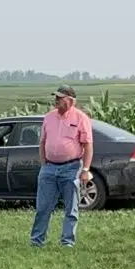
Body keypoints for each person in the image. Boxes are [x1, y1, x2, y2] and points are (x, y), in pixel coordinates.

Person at [31, 85, 94, 248]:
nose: (56, 100)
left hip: (71, 167)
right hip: (49, 168)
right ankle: (37, 240)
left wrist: (85, 170)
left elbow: (87, 145)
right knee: (43, 207)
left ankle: (67, 242)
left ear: (71, 101)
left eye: (60, 98)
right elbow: (43, 142)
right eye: (56, 97)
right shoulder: (49, 117)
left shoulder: (81, 118)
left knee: (71, 207)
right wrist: (44, 163)